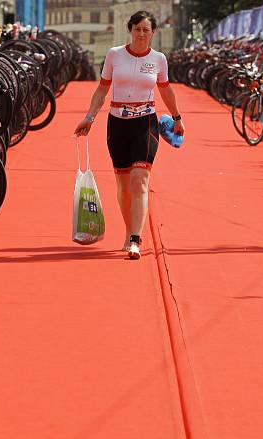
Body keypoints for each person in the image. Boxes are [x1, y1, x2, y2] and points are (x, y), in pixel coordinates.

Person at [74, 10, 185, 260]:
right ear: (130, 30)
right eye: (138, 29)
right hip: (117, 124)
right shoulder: (114, 55)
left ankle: (135, 239)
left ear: (153, 33)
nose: (142, 34)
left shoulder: (158, 59)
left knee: (139, 181)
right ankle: (129, 230)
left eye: (147, 30)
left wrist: (177, 118)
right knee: (123, 187)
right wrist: (89, 118)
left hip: (145, 123)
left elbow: (165, 91)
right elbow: (102, 90)